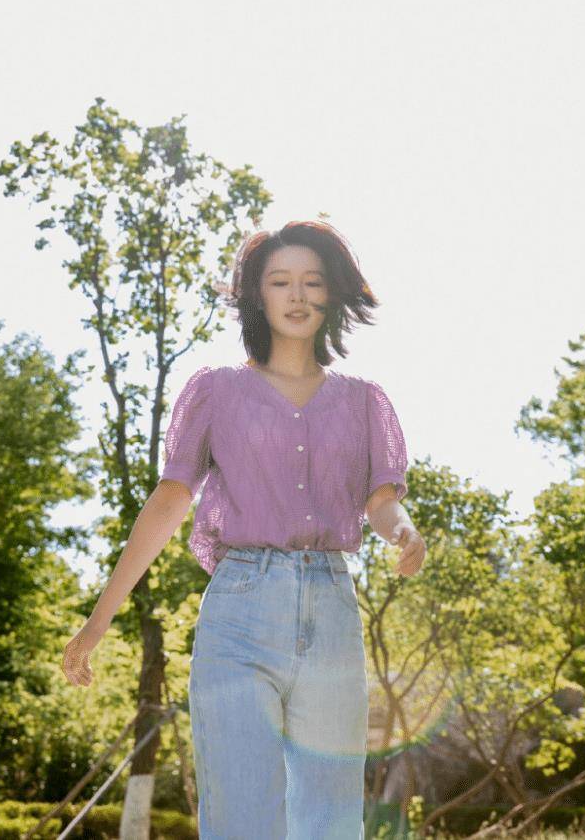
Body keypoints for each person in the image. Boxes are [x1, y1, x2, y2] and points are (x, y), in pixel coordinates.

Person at [62, 220, 426, 839]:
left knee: (330, 819)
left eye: (313, 282)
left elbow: (381, 499)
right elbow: (171, 498)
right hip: (239, 610)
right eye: (280, 281)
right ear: (257, 296)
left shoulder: (364, 400)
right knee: (242, 816)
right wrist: (100, 621)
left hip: (332, 613)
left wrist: (403, 531)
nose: (297, 294)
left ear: (332, 294)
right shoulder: (217, 391)